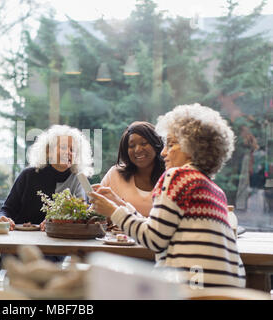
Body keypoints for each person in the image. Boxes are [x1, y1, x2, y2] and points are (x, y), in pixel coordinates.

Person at [89, 104, 246, 288]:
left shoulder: (178, 177)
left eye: (171, 144)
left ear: (191, 148)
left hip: (192, 288)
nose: (163, 152)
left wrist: (114, 211)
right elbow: (160, 227)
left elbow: (153, 239)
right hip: (225, 289)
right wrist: (118, 205)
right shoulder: (215, 190)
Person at [0, 124, 94, 278]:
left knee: (38, 274)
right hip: (19, 244)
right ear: (48, 151)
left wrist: (55, 222)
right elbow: (7, 208)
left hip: (53, 248)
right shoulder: (28, 175)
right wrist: (3, 218)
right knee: (20, 269)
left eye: (72, 150)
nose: (68, 152)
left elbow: (80, 217)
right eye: (63, 147)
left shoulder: (78, 180)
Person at [100, 121, 165, 217]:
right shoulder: (115, 174)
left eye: (143, 143)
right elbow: (95, 212)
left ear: (156, 144)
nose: (138, 149)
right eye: (131, 146)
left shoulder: (171, 176)